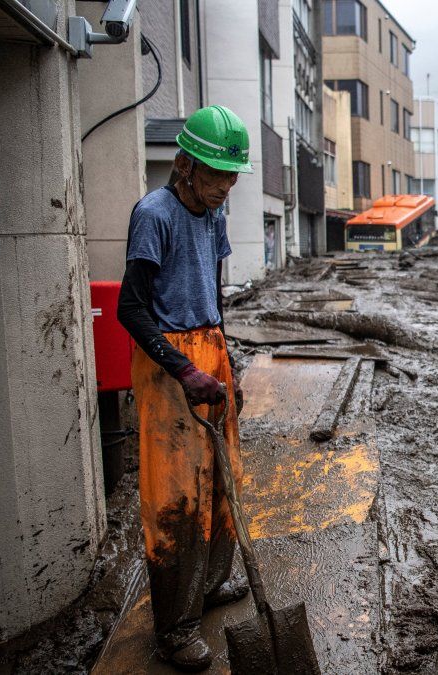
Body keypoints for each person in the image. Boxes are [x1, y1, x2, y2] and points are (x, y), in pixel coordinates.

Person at [117, 105, 254, 671]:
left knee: (224, 479)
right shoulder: (154, 214)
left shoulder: (213, 215)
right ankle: (174, 627)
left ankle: (212, 583)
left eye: (232, 176)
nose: (225, 187)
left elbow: (213, 292)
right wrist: (183, 369)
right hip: (167, 360)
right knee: (177, 498)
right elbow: (130, 307)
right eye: (217, 174)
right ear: (186, 165)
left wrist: (227, 360)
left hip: (208, 349)